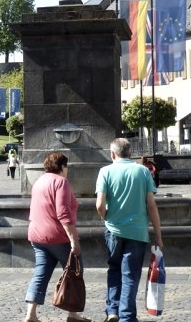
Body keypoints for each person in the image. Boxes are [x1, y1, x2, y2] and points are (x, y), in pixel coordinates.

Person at [96, 138, 163, 322]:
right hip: (137, 232)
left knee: (114, 270)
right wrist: (158, 234)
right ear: (130, 153)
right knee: (130, 276)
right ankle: (127, 316)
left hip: (113, 231)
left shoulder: (105, 171)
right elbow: (152, 206)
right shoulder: (142, 171)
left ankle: (112, 311)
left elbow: (99, 204)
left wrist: (106, 216)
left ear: (112, 153)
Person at [24, 152, 90, 322]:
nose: (67, 169)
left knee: (41, 273)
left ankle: (31, 314)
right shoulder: (61, 182)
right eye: (66, 166)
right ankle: (72, 314)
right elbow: (63, 214)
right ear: (62, 166)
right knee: (75, 271)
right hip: (58, 237)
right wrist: (74, 240)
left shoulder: (39, 181)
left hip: (37, 235)